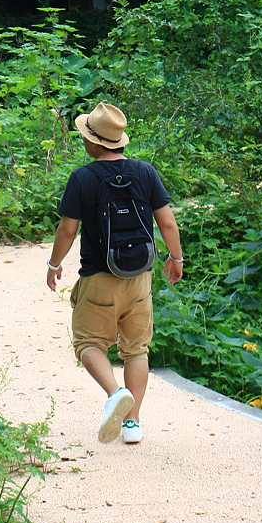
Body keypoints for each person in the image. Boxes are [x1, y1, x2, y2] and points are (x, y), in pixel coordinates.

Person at [46, 102, 183, 445]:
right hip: (139, 277)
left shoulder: (82, 178)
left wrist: (54, 264)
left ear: (94, 143)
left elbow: (66, 231)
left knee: (89, 343)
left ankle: (114, 393)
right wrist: (176, 258)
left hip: (99, 278)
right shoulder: (145, 172)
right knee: (136, 350)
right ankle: (133, 423)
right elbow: (166, 221)